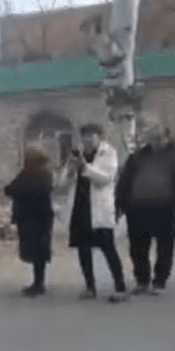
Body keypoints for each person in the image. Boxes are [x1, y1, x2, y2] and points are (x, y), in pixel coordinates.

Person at [115, 111, 175, 295]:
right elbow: (125, 180)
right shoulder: (138, 157)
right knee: (138, 247)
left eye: (146, 128)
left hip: (165, 207)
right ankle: (142, 280)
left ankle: (160, 281)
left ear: (161, 131)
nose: (142, 132)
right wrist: (121, 202)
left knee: (164, 246)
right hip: (138, 208)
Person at [65, 123, 128, 302]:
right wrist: (70, 167)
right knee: (83, 250)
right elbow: (63, 181)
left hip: (99, 209)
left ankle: (120, 287)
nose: (87, 141)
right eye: (84, 137)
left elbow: (105, 178)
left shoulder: (108, 153)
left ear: (99, 137)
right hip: (80, 208)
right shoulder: (78, 156)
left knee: (108, 248)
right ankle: (90, 287)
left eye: (91, 137)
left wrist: (85, 167)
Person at [5, 148, 55, 297]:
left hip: (36, 218)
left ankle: (39, 284)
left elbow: (13, 189)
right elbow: (9, 189)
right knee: (36, 251)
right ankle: (38, 282)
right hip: (34, 217)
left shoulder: (37, 174)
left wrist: (21, 190)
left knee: (37, 251)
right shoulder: (36, 173)